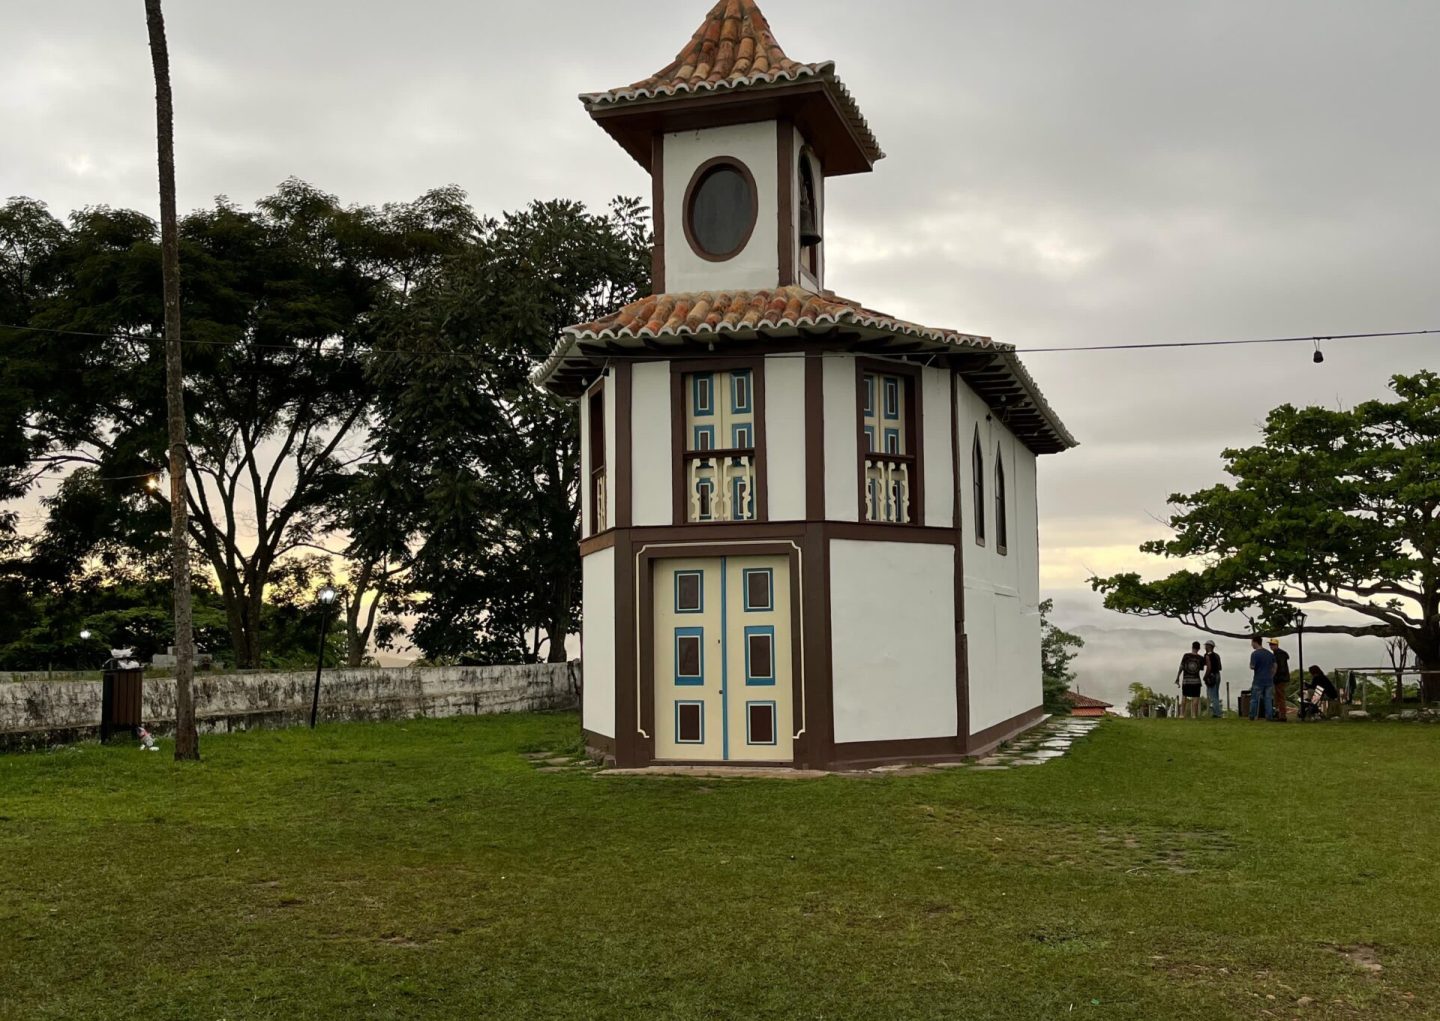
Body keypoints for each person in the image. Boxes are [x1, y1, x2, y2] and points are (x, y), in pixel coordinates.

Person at [1249, 636, 1276, 720]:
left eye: (1252, 643)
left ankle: (1252, 715)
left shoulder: (1255, 654)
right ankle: (1269, 716)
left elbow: (1252, 666)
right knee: (1268, 699)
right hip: (1269, 680)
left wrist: (1251, 665)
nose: (1251, 645)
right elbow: (1275, 666)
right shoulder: (1270, 654)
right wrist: (1271, 675)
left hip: (1258, 679)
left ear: (1255, 642)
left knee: (1254, 699)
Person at [1176, 641, 1206, 719]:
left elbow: (1181, 667)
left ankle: (1182, 714)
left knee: (1184, 697)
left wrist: (1177, 677)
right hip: (1196, 681)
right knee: (1195, 697)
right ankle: (1194, 715)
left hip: (1186, 680)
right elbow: (1201, 668)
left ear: (1192, 647)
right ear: (1199, 648)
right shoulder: (1201, 658)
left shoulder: (1186, 656)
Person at [1269, 638, 1292, 722]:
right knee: (1278, 696)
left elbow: (1281, 667)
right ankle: (1279, 714)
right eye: (1270, 644)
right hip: (1280, 678)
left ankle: (1282, 715)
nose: (1271, 646)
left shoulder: (1279, 654)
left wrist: (1275, 675)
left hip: (1280, 678)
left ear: (1276, 645)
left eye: (1272, 644)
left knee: (1280, 696)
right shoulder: (1277, 653)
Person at [1203, 640, 1223, 718]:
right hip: (1218, 675)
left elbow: (1209, 667)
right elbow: (1220, 667)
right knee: (1216, 695)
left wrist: (1205, 677)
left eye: (1206, 646)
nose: (1205, 647)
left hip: (1211, 676)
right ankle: (1217, 712)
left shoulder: (1207, 656)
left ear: (1209, 646)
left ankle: (1217, 713)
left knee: (1212, 695)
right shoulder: (1217, 655)